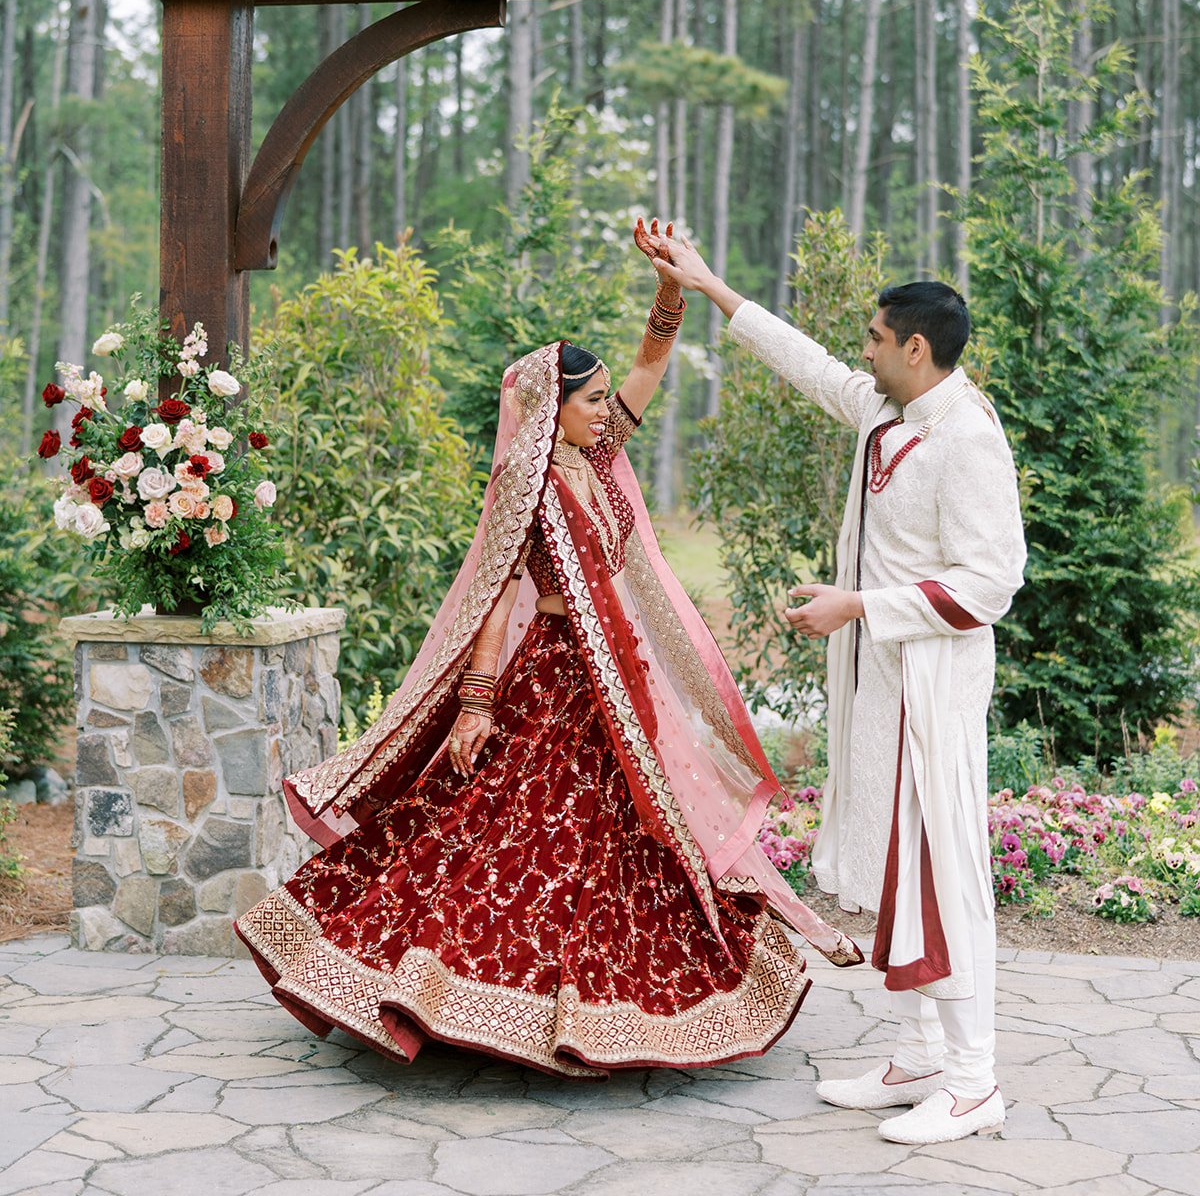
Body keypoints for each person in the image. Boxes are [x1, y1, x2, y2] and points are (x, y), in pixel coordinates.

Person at [237, 219, 861, 1079]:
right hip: (556, 680)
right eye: (593, 399)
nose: (610, 409)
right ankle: (465, 997)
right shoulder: (523, 482)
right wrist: (479, 700)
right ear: (552, 408)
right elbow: (494, 592)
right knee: (516, 840)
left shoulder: (597, 460)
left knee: (628, 843)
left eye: (606, 400)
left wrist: (671, 289)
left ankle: (612, 1006)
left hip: (620, 683)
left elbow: (648, 367)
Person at [649, 235, 1026, 1145]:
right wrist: (707, 284)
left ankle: (974, 1083)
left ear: (916, 349)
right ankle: (920, 1055)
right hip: (882, 688)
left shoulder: (967, 439)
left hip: (930, 695)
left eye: (874, 337)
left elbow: (991, 583)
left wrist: (858, 603)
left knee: (939, 876)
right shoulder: (884, 412)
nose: (862, 349)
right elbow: (807, 362)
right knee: (899, 874)